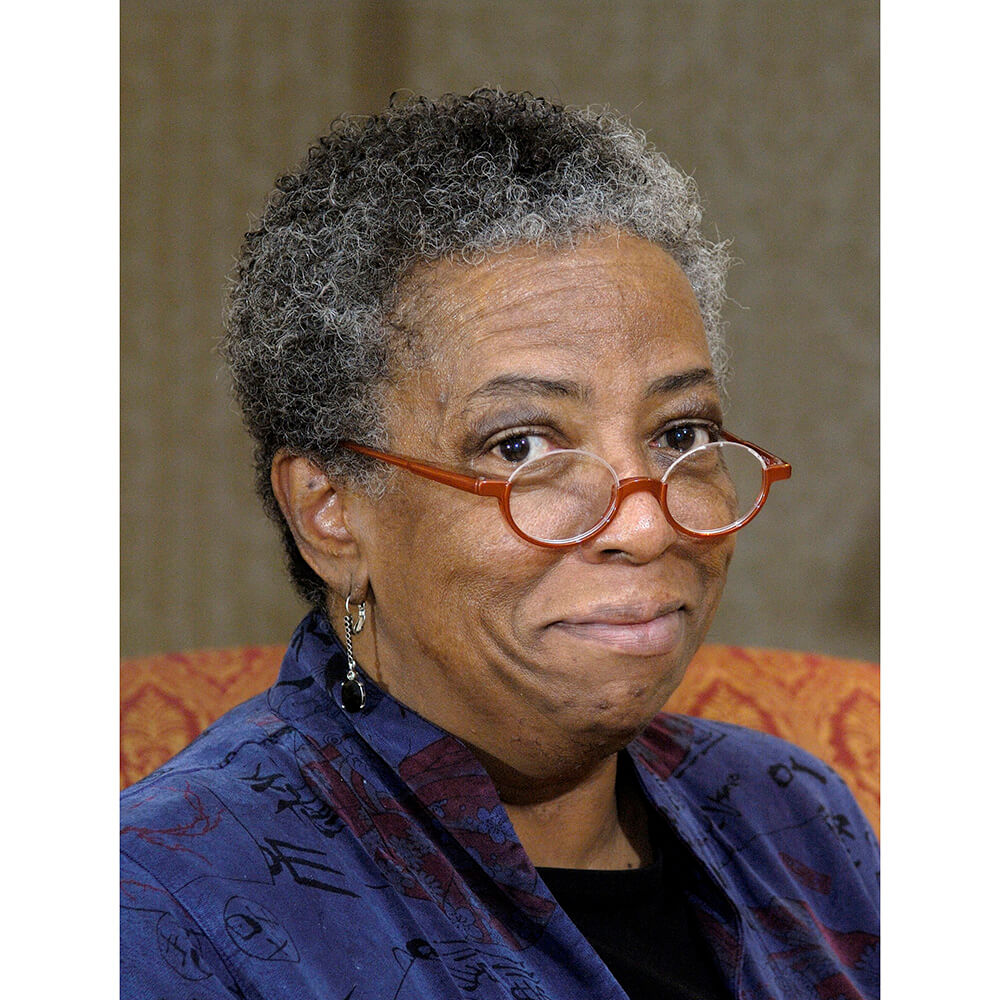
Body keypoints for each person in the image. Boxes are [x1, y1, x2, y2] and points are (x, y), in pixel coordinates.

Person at [120, 90, 878, 999]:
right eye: (521, 447)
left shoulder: (794, 817)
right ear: (330, 512)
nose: (647, 524)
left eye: (680, 434)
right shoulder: (162, 907)